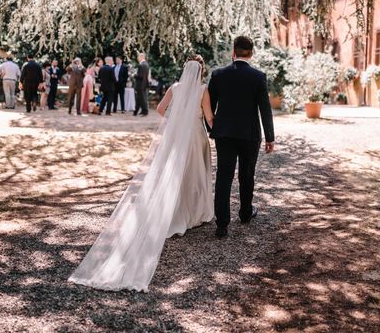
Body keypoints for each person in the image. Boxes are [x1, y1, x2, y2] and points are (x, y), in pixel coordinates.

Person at [69, 57, 214, 292]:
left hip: (176, 137)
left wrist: (176, 123)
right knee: (196, 172)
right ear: (201, 71)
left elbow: (159, 109)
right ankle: (194, 212)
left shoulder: (175, 88)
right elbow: (208, 117)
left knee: (173, 173)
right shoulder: (203, 89)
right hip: (195, 136)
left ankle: (176, 210)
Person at [208, 35, 275, 238]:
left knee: (224, 176)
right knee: (247, 174)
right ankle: (245, 213)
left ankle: (222, 224)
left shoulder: (218, 75)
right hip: (249, 135)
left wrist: (212, 128)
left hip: (225, 134)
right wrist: (270, 137)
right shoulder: (258, 77)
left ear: (233, 52)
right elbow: (265, 109)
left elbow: (208, 107)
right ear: (251, 54)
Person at [133, 52, 150, 116]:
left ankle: (145, 111)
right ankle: (136, 111)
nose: (137, 58)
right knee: (139, 98)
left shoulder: (142, 65)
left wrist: (134, 75)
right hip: (144, 84)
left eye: (138, 57)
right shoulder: (146, 64)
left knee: (142, 98)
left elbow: (140, 76)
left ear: (141, 57)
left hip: (140, 84)